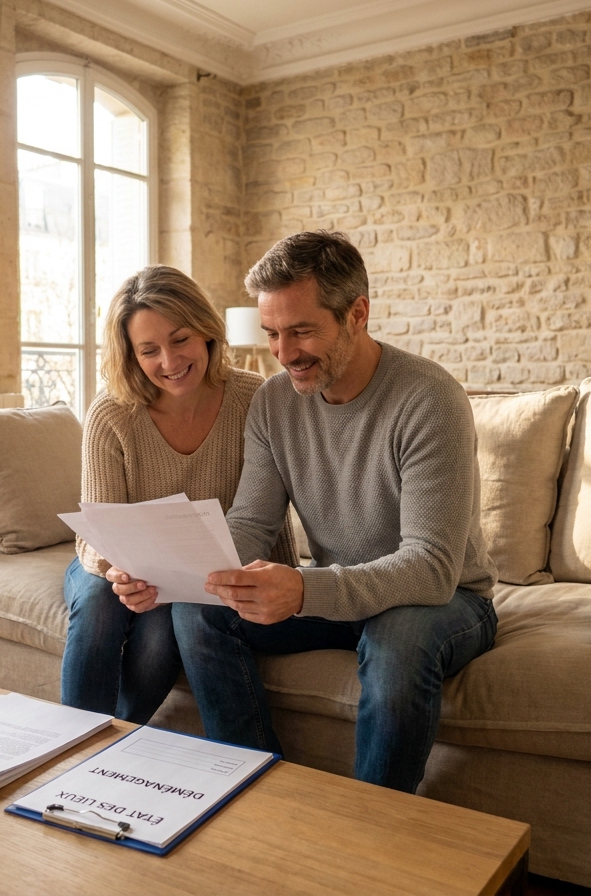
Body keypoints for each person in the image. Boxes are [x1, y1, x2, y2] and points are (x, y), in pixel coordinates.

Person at [172, 231, 498, 793]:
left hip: (442, 601)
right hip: (339, 599)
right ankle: (255, 790)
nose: (284, 351)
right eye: (272, 333)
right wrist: (172, 567)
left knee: (398, 641)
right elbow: (252, 520)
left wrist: (303, 591)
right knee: (198, 611)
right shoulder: (274, 403)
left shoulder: (429, 398)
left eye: (301, 331)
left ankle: (371, 831)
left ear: (357, 314)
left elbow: (430, 567)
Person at [61, 265, 295, 724]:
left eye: (181, 339)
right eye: (149, 350)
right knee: (97, 605)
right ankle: (71, 746)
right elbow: (96, 531)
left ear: (206, 331)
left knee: (161, 631)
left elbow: (266, 516)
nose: (169, 361)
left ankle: (122, 733)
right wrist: (119, 571)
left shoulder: (255, 398)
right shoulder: (112, 412)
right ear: (131, 355)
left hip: (207, 572)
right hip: (123, 564)